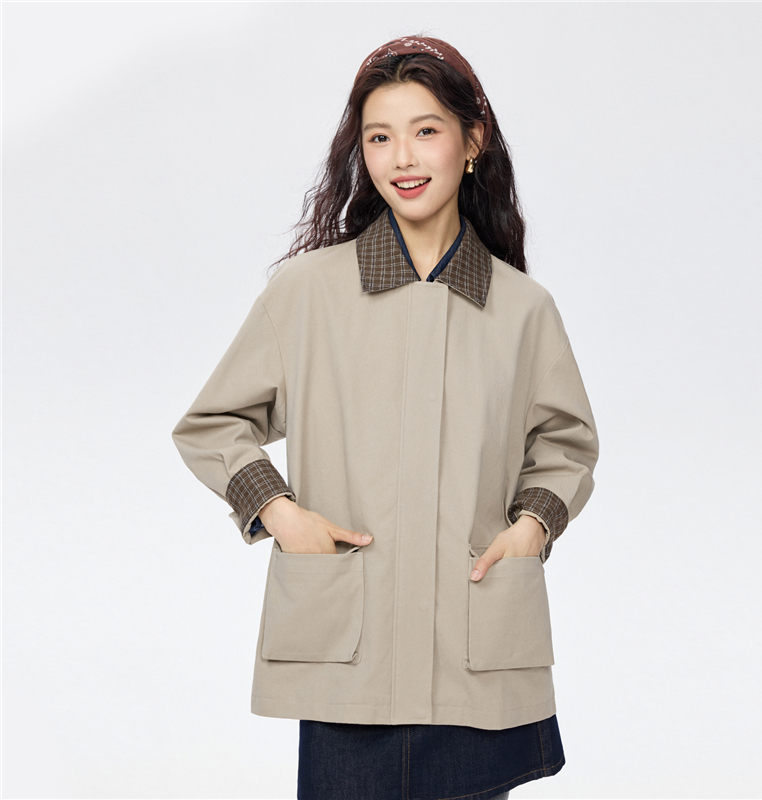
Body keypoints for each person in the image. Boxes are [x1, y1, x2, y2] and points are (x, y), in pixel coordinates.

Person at [172, 34, 599, 800]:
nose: (402, 157)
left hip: (475, 648)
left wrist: (532, 528)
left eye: (425, 130)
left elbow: (566, 444)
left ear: (472, 141)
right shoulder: (307, 293)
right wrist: (280, 513)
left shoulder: (523, 308)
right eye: (379, 137)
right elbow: (213, 422)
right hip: (352, 654)